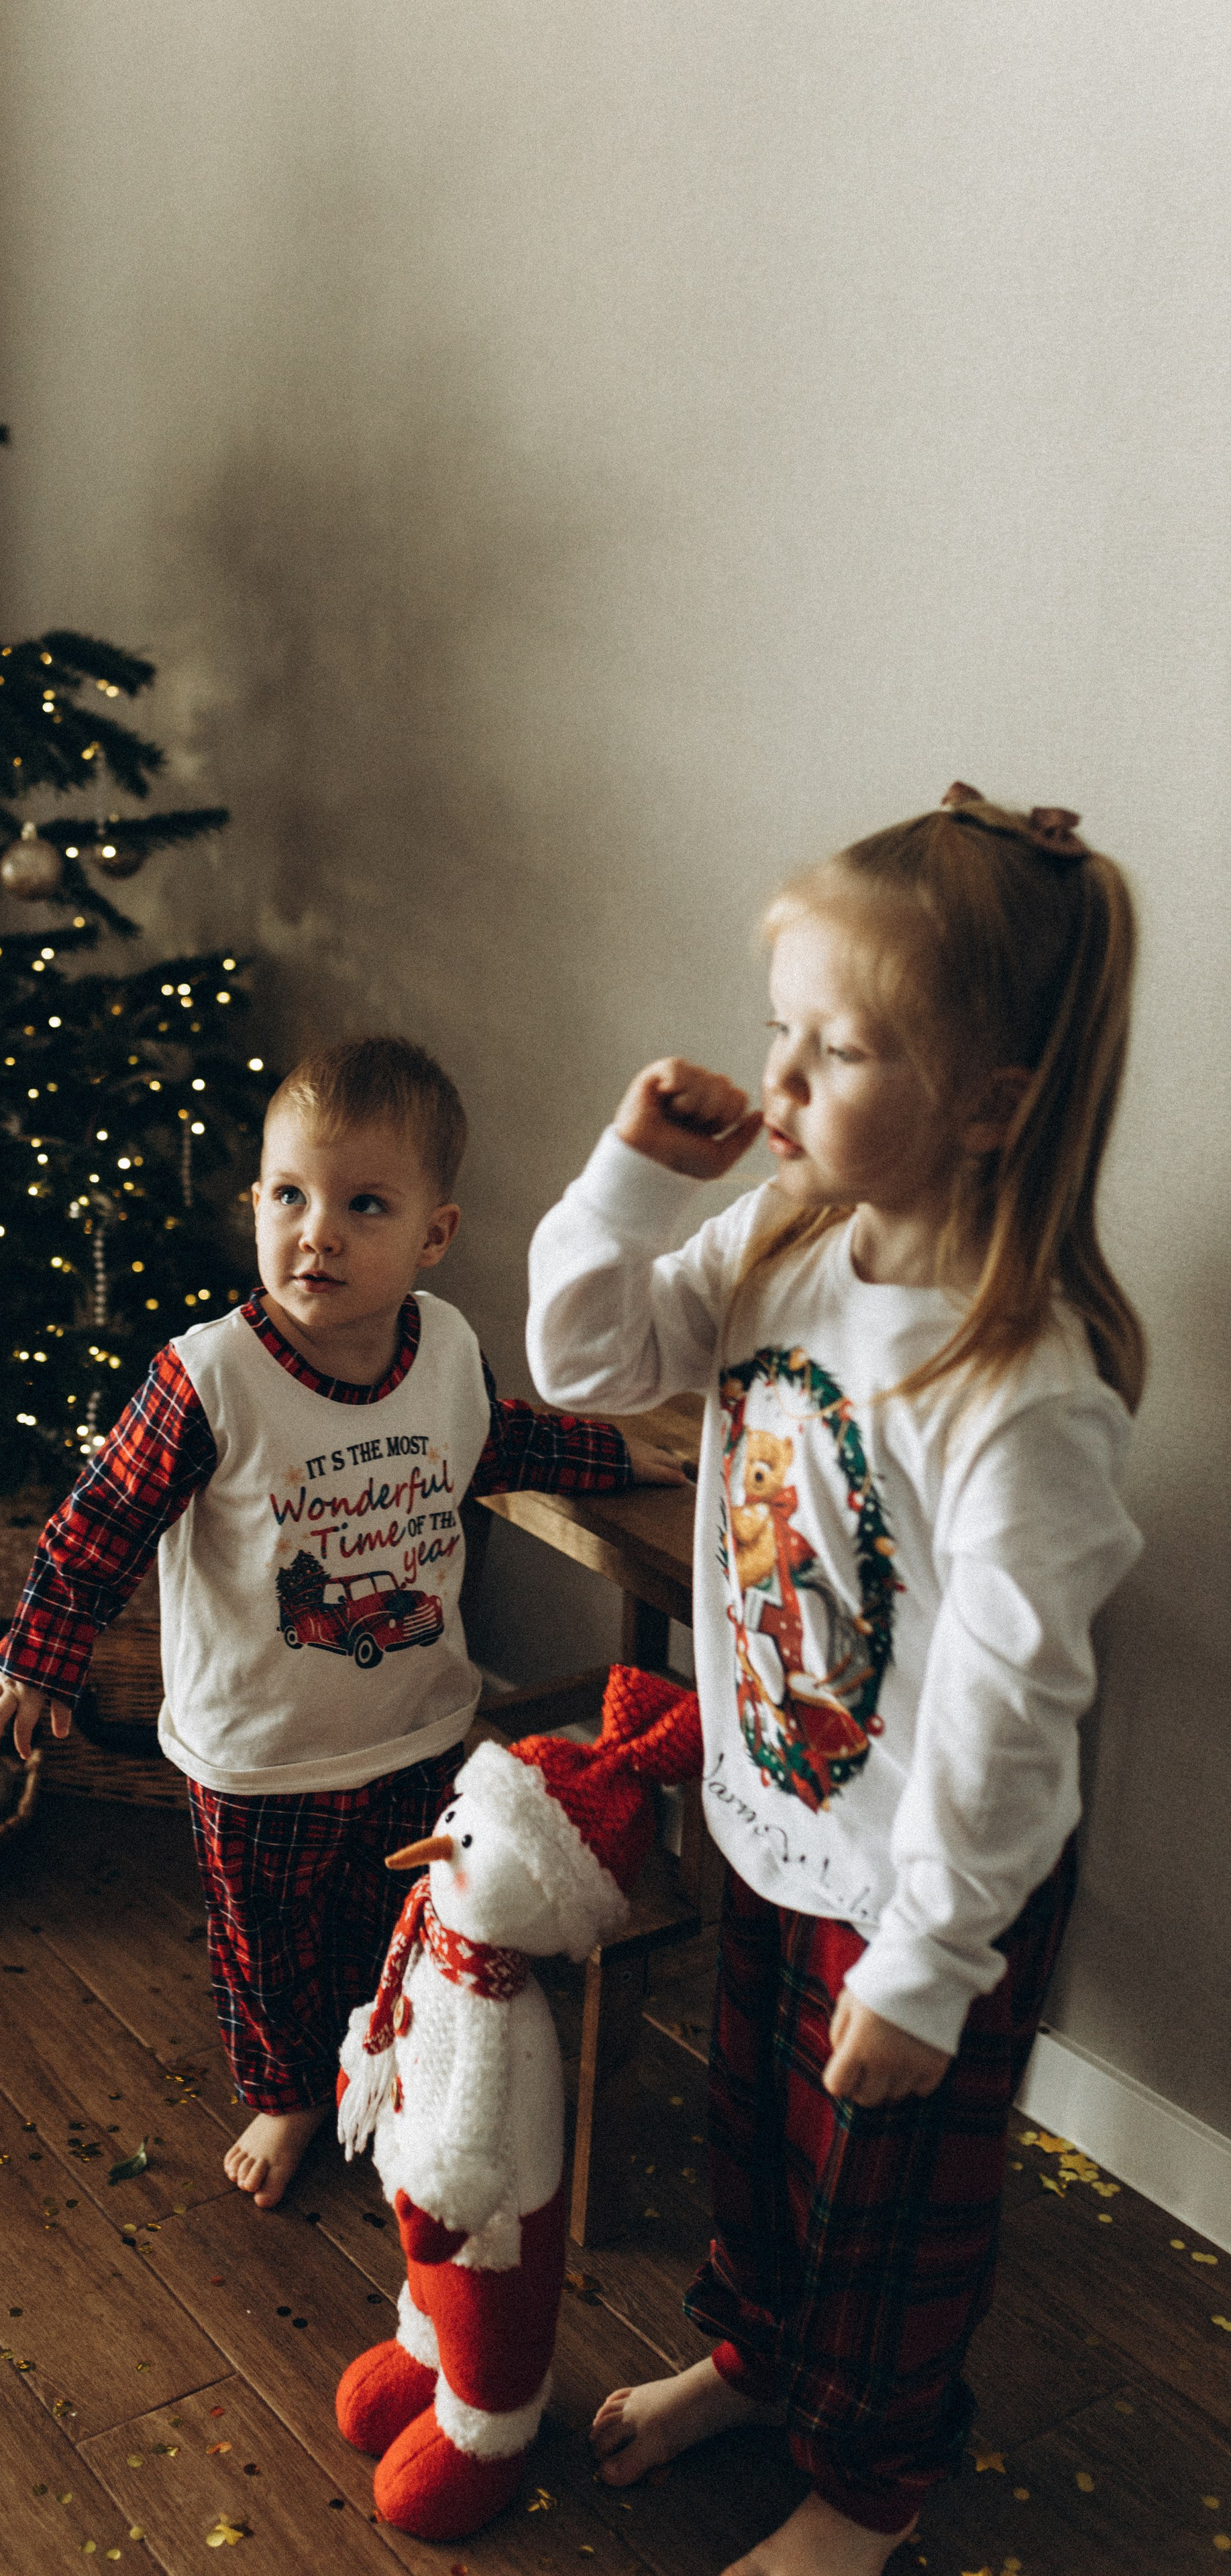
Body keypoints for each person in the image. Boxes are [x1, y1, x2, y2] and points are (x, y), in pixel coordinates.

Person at [525, 786, 1144, 2576]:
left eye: (838, 1046)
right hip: (782, 1815)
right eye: (776, 1027)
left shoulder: (1022, 1393)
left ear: (991, 1109)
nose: (779, 1079)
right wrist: (635, 1178)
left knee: (886, 2205)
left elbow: (1011, 1715)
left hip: (926, 1886)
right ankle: (754, 2353)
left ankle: (868, 2485)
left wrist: (933, 1963)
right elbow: (582, 1359)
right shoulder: (787, 1239)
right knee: (759, 2141)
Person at [0, 1035, 685, 2211]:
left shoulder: (445, 1345)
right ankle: (291, 2090)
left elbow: (497, 1439)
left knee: (391, 1908)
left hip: (413, 1718)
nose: (321, 1232)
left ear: (433, 1236)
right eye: (292, 1197)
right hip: (258, 1752)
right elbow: (100, 1521)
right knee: (268, 1945)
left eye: (365, 1205)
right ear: (256, 1204)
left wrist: (619, 1453)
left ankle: (388, 2043)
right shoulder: (209, 1377)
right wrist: (42, 1656)